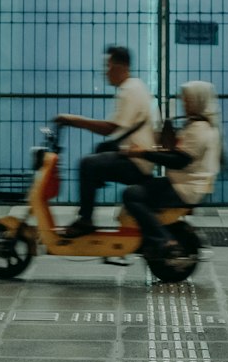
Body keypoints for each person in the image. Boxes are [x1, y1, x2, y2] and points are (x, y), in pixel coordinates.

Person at [55, 45, 158, 239]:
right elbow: (120, 130)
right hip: (137, 158)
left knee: (87, 164)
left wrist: (73, 120)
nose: (105, 71)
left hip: (136, 162)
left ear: (120, 67)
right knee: (96, 159)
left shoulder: (129, 90)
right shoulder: (136, 86)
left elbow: (111, 127)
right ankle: (87, 214)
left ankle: (85, 220)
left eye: (108, 66)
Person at [119, 81, 221, 264]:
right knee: (142, 188)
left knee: (132, 195)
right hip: (182, 182)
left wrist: (143, 153)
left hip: (184, 188)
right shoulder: (196, 125)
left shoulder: (200, 130)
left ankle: (166, 241)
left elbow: (179, 161)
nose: (185, 104)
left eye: (188, 100)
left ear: (198, 101)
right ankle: (151, 237)